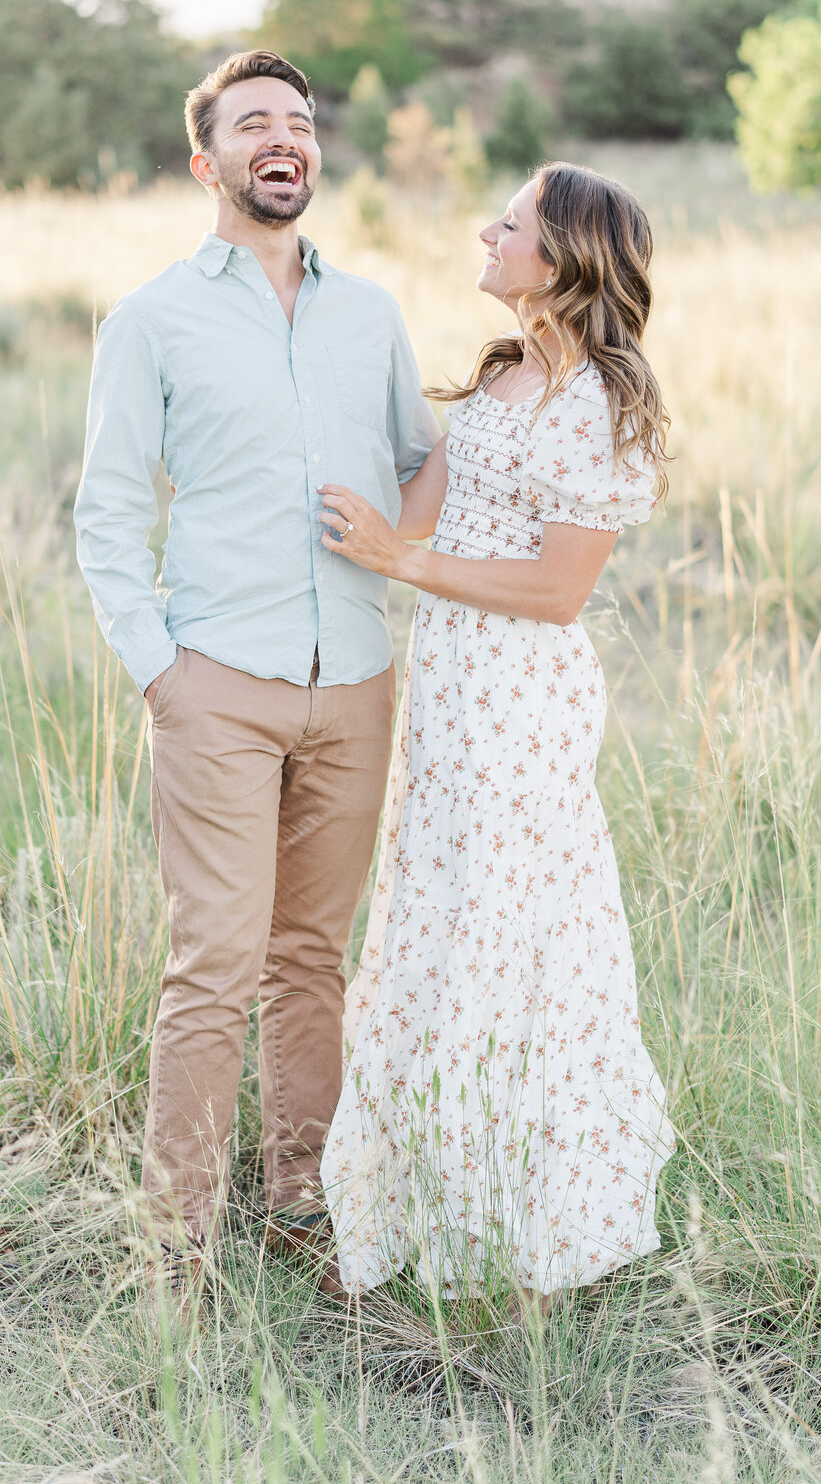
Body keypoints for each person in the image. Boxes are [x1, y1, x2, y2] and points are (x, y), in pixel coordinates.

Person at [73, 51, 439, 1283]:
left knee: (310, 961)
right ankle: (174, 1245)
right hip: (216, 680)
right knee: (216, 964)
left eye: (299, 123)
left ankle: (301, 1206)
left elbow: (418, 458)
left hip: (356, 680)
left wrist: (402, 542)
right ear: (207, 162)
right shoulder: (153, 319)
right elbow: (107, 512)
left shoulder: (371, 313)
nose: (283, 139)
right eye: (253, 126)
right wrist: (157, 669)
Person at [318, 162, 676, 1305]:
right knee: (434, 910)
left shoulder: (603, 403)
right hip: (450, 691)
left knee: (513, 929)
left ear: (564, 257)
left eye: (510, 223)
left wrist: (403, 560)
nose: (487, 230)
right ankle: (422, 1196)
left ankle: (524, 1219)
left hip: (523, 695)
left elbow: (556, 591)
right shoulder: (508, 371)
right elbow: (418, 508)